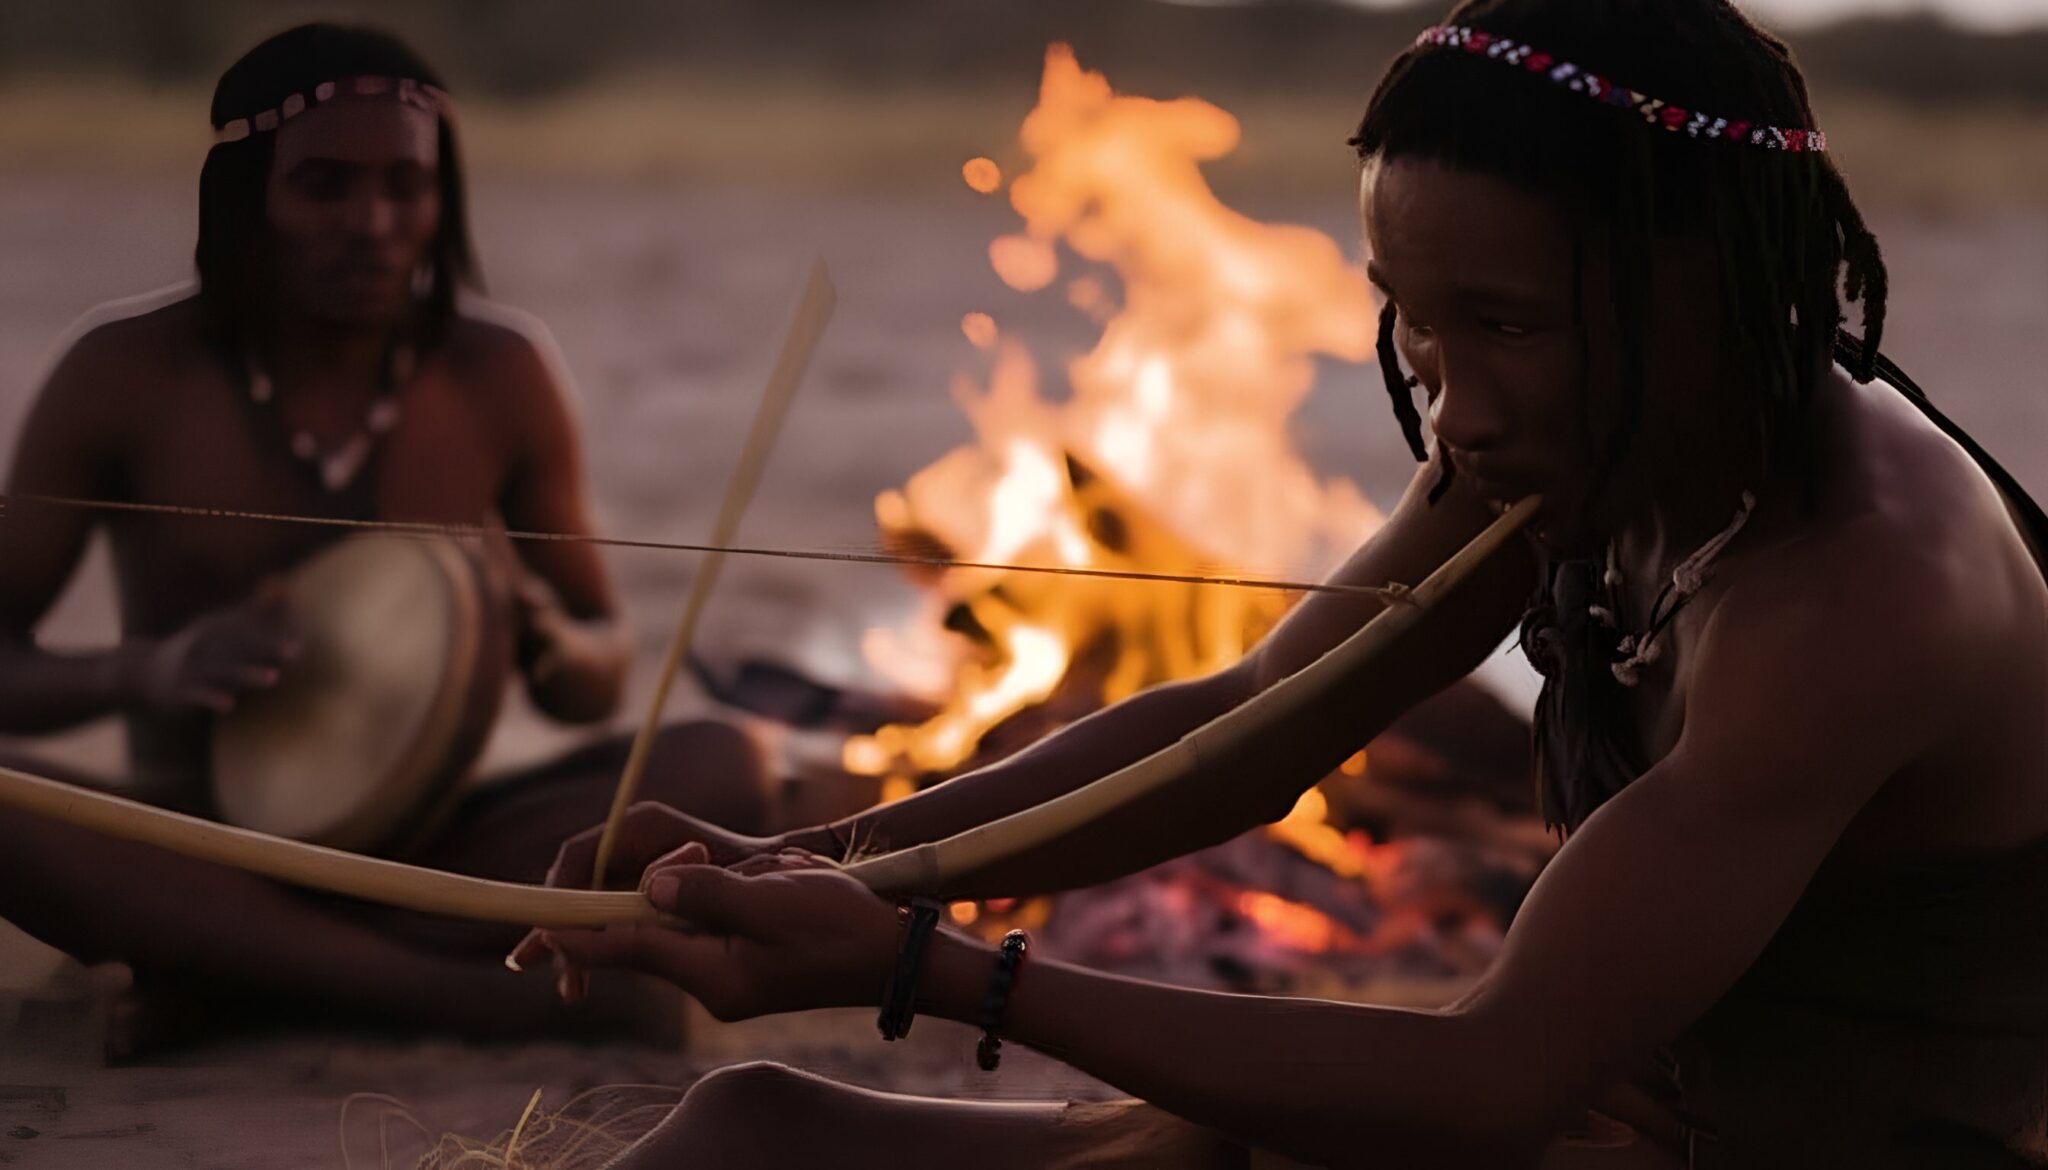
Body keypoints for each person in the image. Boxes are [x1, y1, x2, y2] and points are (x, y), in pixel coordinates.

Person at [510, 1, 2048, 1166]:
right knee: (758, 1125)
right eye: (1416, 323)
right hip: (1593, 1106)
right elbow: (1253, 719)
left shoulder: (1862, 590)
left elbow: (1486, 1077)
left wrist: (927, 963)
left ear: (1709, 283)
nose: (1452, 404)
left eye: (1504, 323)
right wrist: (821, 857)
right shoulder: (1585, 437)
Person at [0, 23, 769, 1049]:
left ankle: (225, 965)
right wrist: (144, 672)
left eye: (405, 187)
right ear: (246, 200)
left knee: (724, 762)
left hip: (437, 852)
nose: (371, 222)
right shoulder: (124, 373)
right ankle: (456, 991)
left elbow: (596, 664)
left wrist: (539, 626)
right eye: (323, 184)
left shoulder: (499, 374)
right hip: (199, 840)